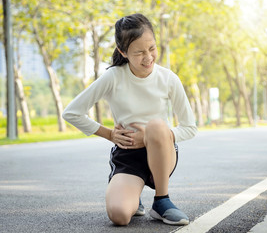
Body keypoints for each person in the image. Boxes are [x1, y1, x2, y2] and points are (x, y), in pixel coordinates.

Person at [62, 13, 197, 226]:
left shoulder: (168, 78)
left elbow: (190, 127)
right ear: (123, 52)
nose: (148, 57)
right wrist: (109, 134)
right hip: (128, 157)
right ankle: (132, 198)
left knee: (156, 126)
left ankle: (162, 201)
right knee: (120, 215)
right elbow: (72, 112)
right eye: (139, 52)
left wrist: (150, 137)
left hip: (162, 153)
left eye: (152, 48)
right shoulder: (113, 77)